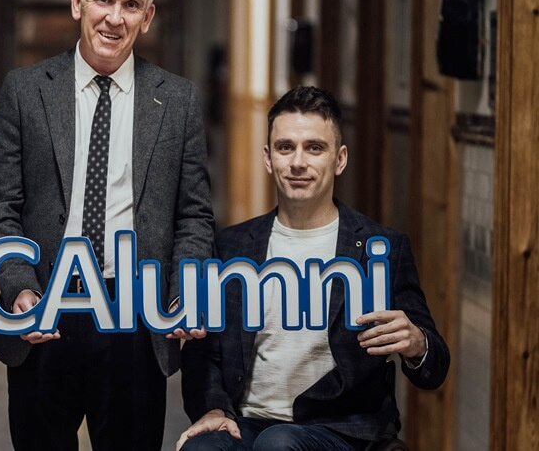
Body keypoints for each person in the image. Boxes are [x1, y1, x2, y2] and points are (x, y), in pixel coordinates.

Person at [0, 0, 215, 450]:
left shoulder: (177, 101)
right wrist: (18, 288)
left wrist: (184, 292)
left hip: (134, 314)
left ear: (148, 15)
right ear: (77, 2)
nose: (115, 17)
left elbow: (194, 216)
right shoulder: (25, 90)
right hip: (43, 310)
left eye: (131, 5)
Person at [178, 86, 450, 451]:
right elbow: (202, 353)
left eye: (314, 148)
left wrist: (417, 344)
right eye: (285, 147)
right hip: (248, 422)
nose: (298, 162)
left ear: (339, 160)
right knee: (203, 448)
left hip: (343, 428)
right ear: (268, 158)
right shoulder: (231, 246)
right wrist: (212, 409)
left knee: (279, 444)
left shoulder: (379, 248)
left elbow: (435, 369)